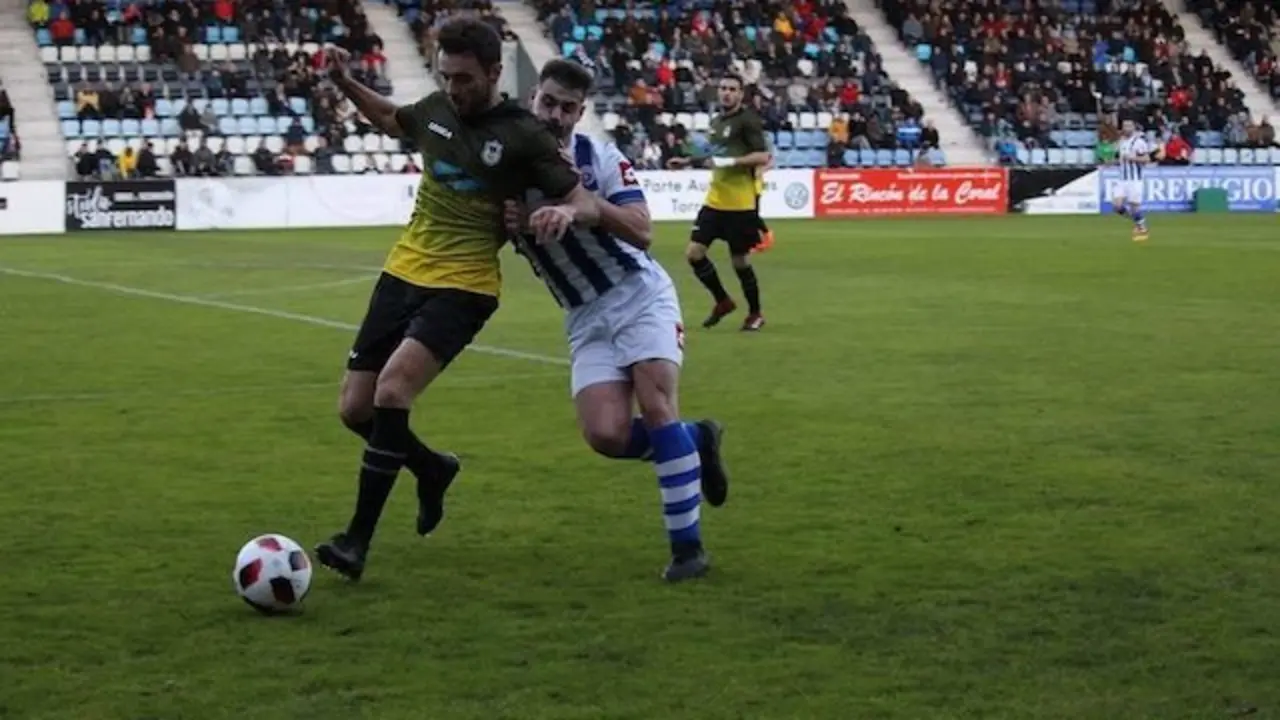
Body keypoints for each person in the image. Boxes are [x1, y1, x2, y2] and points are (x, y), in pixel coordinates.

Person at [314, 18, 601, 581]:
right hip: (403, 271)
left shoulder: (523, 133)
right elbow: (390, 118)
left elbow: (581, 198)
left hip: (465, 285)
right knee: (355, 410)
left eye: (464, 78)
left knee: (392, 391)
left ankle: (356, 541)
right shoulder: (436, 110)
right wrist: (345, 82)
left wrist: (563, 211)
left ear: (494, 73)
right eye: (445, 76)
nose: (453, 88)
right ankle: (431, 468)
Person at [502, 59, 729, 582]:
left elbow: (642, 230)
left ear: (580, 113)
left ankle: (688, 551)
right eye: (548, 102)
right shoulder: (507, 168)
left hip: (638, 296)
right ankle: (698, 439)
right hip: (584, 315)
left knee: (657, 408)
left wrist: (584, 209)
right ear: (533, 99)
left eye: (567, 108)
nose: (555, 115)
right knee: (605, 434)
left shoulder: (599, 159)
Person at [669, 75, 773, 331]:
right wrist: (687, 162)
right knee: (694, 254)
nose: (727, 93)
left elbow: (763, 156)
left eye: (732, 89)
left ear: (741, 94)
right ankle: (722, 300)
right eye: (723, 88)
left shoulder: (747, 121)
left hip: (740, 205)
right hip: (715, 201)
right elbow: (713, 154)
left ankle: (755, 313)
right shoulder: (716, 122)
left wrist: (731, 162)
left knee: (740, 262)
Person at [1111, 119, 1152, 242]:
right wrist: (1111, 162)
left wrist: (1133, 158)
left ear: (1134, 128)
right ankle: (1139, 222)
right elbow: (1119, 159)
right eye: (1125, 126)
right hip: (1122, 179)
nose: (1127, 128)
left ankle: (1141, 226)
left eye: (1129, 126)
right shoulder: (1121, 142)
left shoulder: (1139, 142)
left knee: (1134, 207)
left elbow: (1146, 159)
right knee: (1117, 206)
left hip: (1135, 180)